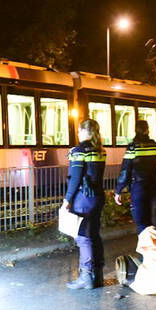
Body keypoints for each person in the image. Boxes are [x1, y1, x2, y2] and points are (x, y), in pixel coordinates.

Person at [62, 118, 107, 289]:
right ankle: (98, 275)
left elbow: (75, 178)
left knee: (83, 237)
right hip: (98, 197)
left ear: (82, 131)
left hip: (83, 198)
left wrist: (67, 199)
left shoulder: (78, 151)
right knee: (94, 235)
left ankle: (86, 276)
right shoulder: (100, 151)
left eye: (79, 131)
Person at [115, 120, 156, 234]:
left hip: (138, 189)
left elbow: (125, 171)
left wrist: (118, 190)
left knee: (142, 225)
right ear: (147, 130)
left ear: (136, 130)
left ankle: (145, 244)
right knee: (154, 226)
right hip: (155, 188)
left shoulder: (133, 148)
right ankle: (154, 244)